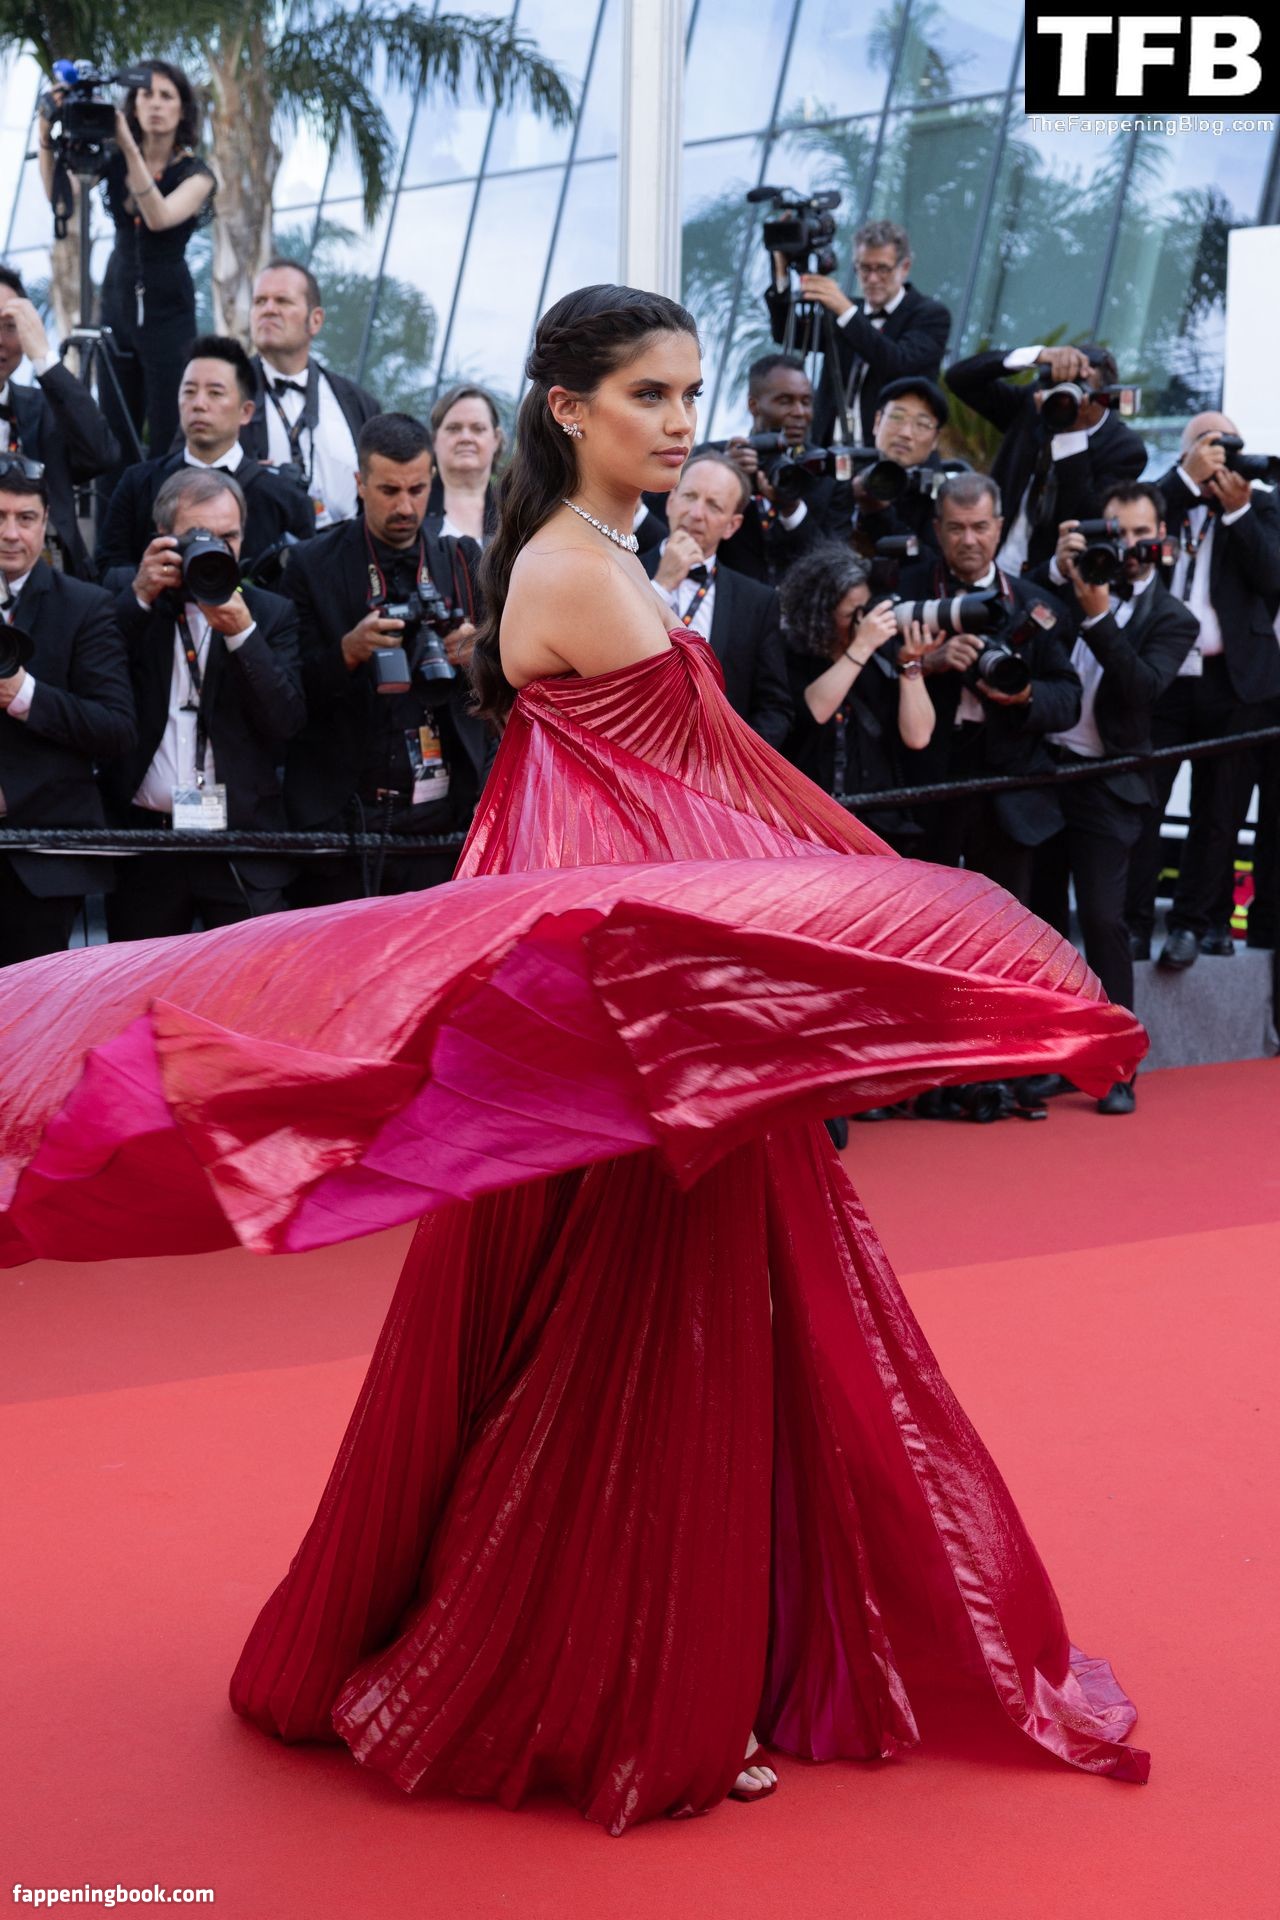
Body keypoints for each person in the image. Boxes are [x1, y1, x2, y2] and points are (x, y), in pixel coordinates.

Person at [0, 287, 1148, 1833]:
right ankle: (615, 1681)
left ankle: (686, 1652)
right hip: (629, 1024)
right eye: (649, 396)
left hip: (637, 1009)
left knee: (681, 1320)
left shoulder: (596, 556)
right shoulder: (575, 573)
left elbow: (678, 801)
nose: (681, 422)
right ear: (569, 407)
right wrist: (905, 917)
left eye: (688, 393)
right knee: (646, 1336)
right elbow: (739, 798)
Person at [1031, 486, 1200, 1113]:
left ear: (1161, 537)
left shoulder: (1174, 617)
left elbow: (1141, 689)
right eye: (1115, 532)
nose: (1125, 546)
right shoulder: (1067, 583)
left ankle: (1117, 1064)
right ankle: (1050, 1056)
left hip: (1108, 781)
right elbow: (1020, 607)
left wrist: (1099, 616)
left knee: (1104, 920)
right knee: (1042, 922)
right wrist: (1059, 571)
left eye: (1138, 533)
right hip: (1042, 773)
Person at [282, 412, 488, 902]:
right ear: (360, 483)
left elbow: (513, 685)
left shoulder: (462, 561)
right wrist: (347, 653)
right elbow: (286, 698)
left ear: (432, 479)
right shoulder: (312, 565)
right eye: (389, 490)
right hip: (340, 820)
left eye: (417, 489)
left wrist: (479, 654)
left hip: (443, 821)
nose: (405, 506)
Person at [98, 465, 305, 934]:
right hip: (147, 844)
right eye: (199, 536)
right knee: (142, 978)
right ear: (162, 537)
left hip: (240, 844)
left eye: (228, 537)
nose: (216, 550)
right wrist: (140, 598)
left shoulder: (270, 613)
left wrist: (243, 635)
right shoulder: (128, 599)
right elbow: (96, 679)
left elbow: (287, 722)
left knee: (250, 978)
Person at [1124, 412, 1280, 969]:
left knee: (1219, 811)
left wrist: (1237, 511)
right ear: (1186, 453)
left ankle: (1190, 925)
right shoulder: (1161, 501)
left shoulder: (1261, 506)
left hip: (1234, 682)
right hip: (1162, 675)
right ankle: (1134, 924)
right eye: (1207, 447)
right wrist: (1185, 481)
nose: (1219, 459)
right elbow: (1130, 536)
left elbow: (1274, 578)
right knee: (1145, 803)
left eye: (1227, 447)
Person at [899, 472, 1082, 903]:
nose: (969, 540)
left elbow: (1068, 698)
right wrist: (927, 663)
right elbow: (872, 678)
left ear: (999, 527)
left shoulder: (1035, 603)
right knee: (923, 916)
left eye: (980, 527)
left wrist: (1025, 695)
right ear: (937, 529)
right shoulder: (906, 591)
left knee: (1005, 922)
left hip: (1010, 791)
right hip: (927, 783)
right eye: (956, 528)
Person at [39, 60, 215, 460]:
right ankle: (113, 502)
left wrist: (126, 143)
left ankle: (167, 499)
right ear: (133, 105)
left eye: (166, 96)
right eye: (146, 95)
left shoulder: (196, 174)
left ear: (183, 110)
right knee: (115, 425)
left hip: (168, 309)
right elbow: (61, 197)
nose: (155, 104)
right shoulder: (115, 158)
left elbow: (158, 217)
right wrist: (44, 130)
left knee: (169, 424)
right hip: (118, 299)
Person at [0, 459, 135, 962]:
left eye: (25, 518)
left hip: (43, 861)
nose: (10, 533)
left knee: (29, 1006)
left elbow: (115, 728)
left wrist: (25, 696)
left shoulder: (85, 606)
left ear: (46, 521)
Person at [96, 335, 316, 579]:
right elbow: (107, 570)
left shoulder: (285, 499)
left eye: (215, 393)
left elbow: (302, 587)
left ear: (246, 412)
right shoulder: (138, 484)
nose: (199, 404)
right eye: (189, 391)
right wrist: (144, 580)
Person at [777, 542, 937, 851]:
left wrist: (911, 664)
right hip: (807, 826)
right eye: (852, 613)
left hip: (876, 822)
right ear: (819, 615)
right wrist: (861, 647)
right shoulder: (792, 657)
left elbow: (918, 736)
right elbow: (815, 710)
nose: (865, 622)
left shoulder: (882, 653)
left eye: (867, 608)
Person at [945, 343, 1147, 575]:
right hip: (989, 565)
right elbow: (959, 379)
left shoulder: (1125, 450)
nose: (1065, 399)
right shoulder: (1034, 406)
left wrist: (1072, 436)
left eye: (1078, 389)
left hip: (1049, 578)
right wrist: (1037, 355)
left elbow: (1086, 515)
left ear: (1104, 397)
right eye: (1059, 386)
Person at [640, 451, 792, 747]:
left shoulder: (757, 602)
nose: (697, 513)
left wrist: (728, 760)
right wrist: (662, 586)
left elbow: (775, 710)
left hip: (713, 766)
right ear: (670, 501)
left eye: (714, 506)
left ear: (732, 525)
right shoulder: (618, 570)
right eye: (689, 496)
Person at [764, 218, 951, 450]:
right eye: (864, 268)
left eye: (882, 269)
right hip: (826, 450)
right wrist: (781, 274)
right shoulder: (844, 310)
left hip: (889, 456)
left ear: (904, 268)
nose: (872, 279)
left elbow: (899, 364)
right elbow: (787, 333)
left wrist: (846, 312)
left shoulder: (930, 315)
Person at [0, 265, 120, 579]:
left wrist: (44, 358)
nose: (0, 340)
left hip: (47, 581)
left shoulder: (42, 409)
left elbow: (101, 454)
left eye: (10, 326)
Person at [243, 258, 381, 528]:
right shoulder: (224, 392)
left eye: (282, 301)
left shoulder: (359, 403)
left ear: (315, 320)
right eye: (260, 301)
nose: (268, 310)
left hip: (345, 547)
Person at [715, 353, 836, 583]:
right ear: (753, 405)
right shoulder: (713, 459)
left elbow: (833, 566)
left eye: (806, 401)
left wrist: (791, 508)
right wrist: (723, 476)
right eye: (785, 401)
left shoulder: (827, 472)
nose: (800, 412)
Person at [848, 373, 954, 558]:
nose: (906, 433)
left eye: (922, 424)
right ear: (877, 422)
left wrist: (879, 512)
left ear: (935, 439)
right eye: (897, 417)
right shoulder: (846, 468)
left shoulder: (941, 498)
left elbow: (929, 564)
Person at [425, 384, 504, 544]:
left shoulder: (517, 515)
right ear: (434, 440)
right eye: (453, 428)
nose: (466, 438)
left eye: (478, 429)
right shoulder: (412, 508)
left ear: (496, 439)